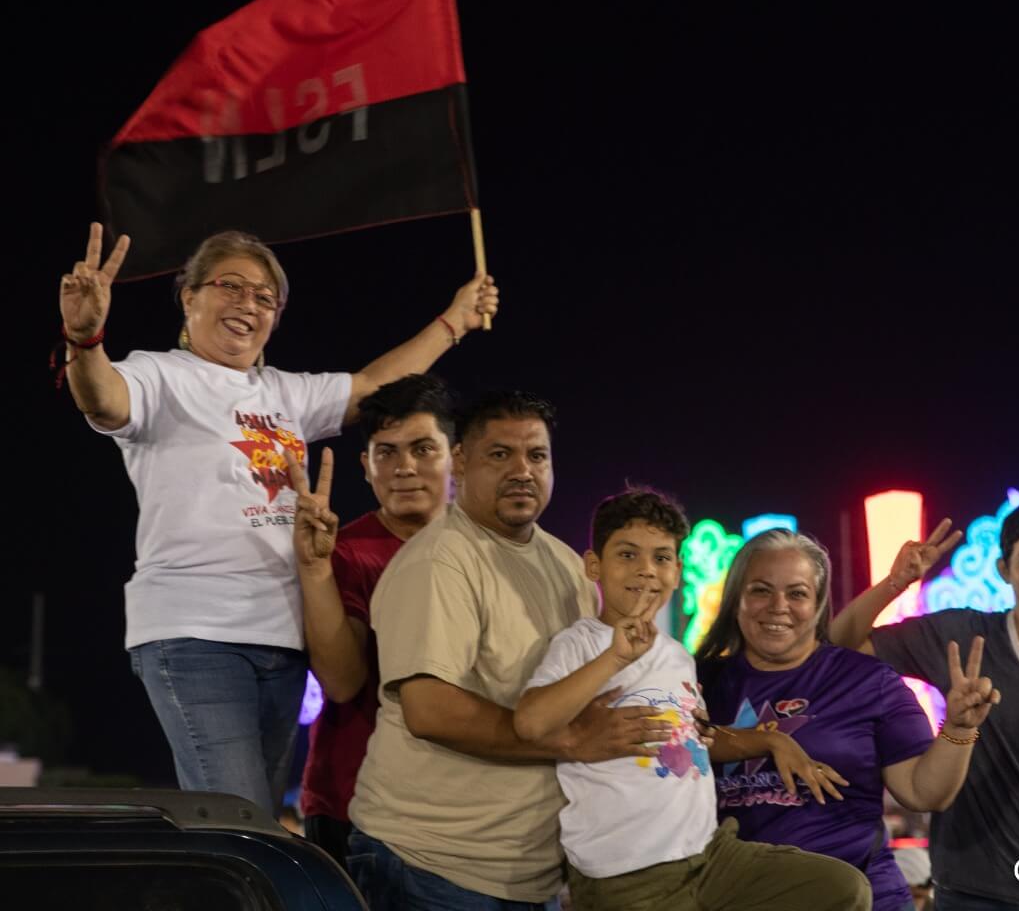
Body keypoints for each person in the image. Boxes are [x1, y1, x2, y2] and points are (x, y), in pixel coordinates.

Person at [59, 222, 496, 812]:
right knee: (237, 819)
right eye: (230, 286)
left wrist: (455, 321)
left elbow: (374, 385)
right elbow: (103, 398)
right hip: (198, 633)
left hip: (283, 639)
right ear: (189, 297)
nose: (248, 304)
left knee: (257, 820)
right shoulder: (159, 376)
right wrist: (85, 339)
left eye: (265, 297)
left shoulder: (284, 394)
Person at [346, 392, 674, 910]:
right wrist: (572, 739)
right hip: (433, 865)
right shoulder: (441, 560)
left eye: (536, 455)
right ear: (460, 462)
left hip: (528, 874)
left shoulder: (565, 564)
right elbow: (430, 711)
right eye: (500, 454)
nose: (522, 471)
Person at [515, 487, 872, 911]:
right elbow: (530, 723)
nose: (646, 570)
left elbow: (694, 739)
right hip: (629, 875)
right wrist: (615, 658)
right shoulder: (580, 643)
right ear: (594, 565)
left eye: (661, 557)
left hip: (709, 856)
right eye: (628, 555)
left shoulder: (677, 655)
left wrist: (772, 741)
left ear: (678, 570)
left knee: (843, 889)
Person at [840, 496, 1019, 911]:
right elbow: (839, 644)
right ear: (1003, 568)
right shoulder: (961, 634)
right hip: (972, 891)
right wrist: (895, 583)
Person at [695, 528, 999, 911]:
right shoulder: (697, 682)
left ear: (819, 604)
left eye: (797, 593)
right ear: (735, 599)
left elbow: (924, 793)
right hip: (742, 898)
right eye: (760, 590)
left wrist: (959, 729)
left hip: (863, 897)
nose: (778, 606)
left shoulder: (868, 680)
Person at [288, 373, 455, 865]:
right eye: (387, 452)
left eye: (423, 449)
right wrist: (316, 570)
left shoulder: (485, 553)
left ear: (458, 458)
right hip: (355, 808)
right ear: (366, 466)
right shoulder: (344, 553)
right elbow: (340, 683)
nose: (404, 467)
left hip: (461, 810)